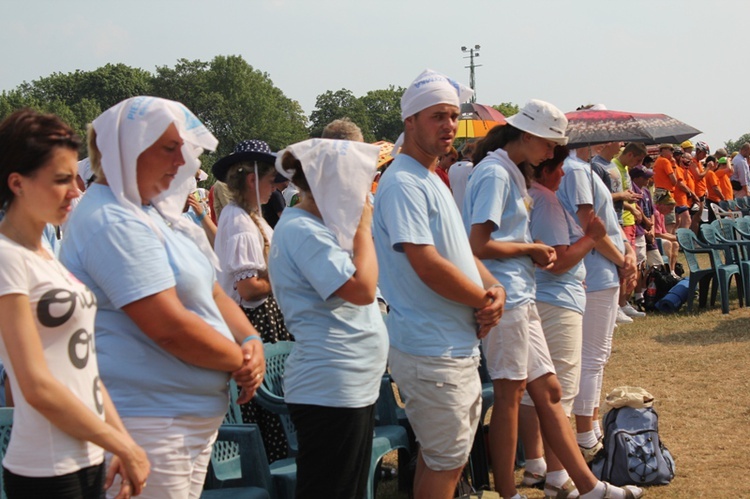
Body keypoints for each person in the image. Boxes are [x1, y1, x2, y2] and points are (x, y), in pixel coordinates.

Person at [60, 97, 265, 499]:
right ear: (129, 148)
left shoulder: (155, 215)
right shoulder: (110, 219)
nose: (181, 159)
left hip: (180, 418)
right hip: (148, 421)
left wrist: (250, 340)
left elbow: (210, 290)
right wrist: (240, 362)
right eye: (168, 147)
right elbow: (168, 327)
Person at [465, 103, 641, 499]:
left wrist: (528, 250)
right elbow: (476, 244)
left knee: (548, 392)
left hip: (521, 296)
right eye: (549, 144)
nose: (552, 154)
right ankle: (509, 492)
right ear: (527, 136)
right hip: (505, 297)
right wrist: (530, 248)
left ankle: (587, 485)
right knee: (510, 398)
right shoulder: (495, 172)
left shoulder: (507, 170)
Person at [0, 109, 149, 498]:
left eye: (75, 179)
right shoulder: (7, 258)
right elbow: (35, 386)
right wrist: (123, 445)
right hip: (47, 469)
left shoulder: (46, 254)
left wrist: (116, 437)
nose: (74, 192)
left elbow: (84, 371)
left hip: (86, 458)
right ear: (17, 183)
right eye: (61, 180)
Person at [373, 69, 504, 499]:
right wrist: (484, 298)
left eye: (452, 116)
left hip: (449, 344)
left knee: (446, 458)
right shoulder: (404, 182)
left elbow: (460, 256)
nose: (448, 125)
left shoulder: (431, 178)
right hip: (429, 348)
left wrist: (493, 291)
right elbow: (426, 264)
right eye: (437, 116)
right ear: (410, 122)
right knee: (446, 460)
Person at [269, 138, 388, 499]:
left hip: (347, 385)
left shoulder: (319, 227)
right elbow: (362, 289)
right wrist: (363, 228)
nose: (363, 191)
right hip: (331, 388)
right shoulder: (303, 231)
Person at [557, 143, 638, 473]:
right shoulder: (576, 170)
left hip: (600, 269)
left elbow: (608, 226)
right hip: (596, 271)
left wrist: (627, 253)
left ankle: (588, 429)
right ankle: (586, 435)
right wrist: (623, 261)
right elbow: (591, 225)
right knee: (592, 356)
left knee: (593, 356)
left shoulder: (582, 169)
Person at [212, 139, 294, 463]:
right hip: (253, 320)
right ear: (251, 179)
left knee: (271, 410)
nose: (275, 185)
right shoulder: (238, 220)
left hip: (264, 319)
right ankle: (270, 467)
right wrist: (284, 277)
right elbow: (247, 288)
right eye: (271, 178)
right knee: (263, 410)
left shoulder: (250, 216)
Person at [652, 144, 678, 233]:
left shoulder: (657, 161)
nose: (672, 152)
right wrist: (674, 165)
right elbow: (674, 180)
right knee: (669, 222)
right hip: (666, 193)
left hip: (658, 191)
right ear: (664, 150)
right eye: (670, 150)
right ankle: (668, 241)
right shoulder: (665, 161)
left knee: (660, 220)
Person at [449, 141, 475, 214]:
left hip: (455, 209)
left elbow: (451, 189)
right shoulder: (472, 167)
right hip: (469, 210)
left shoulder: (452, 167)